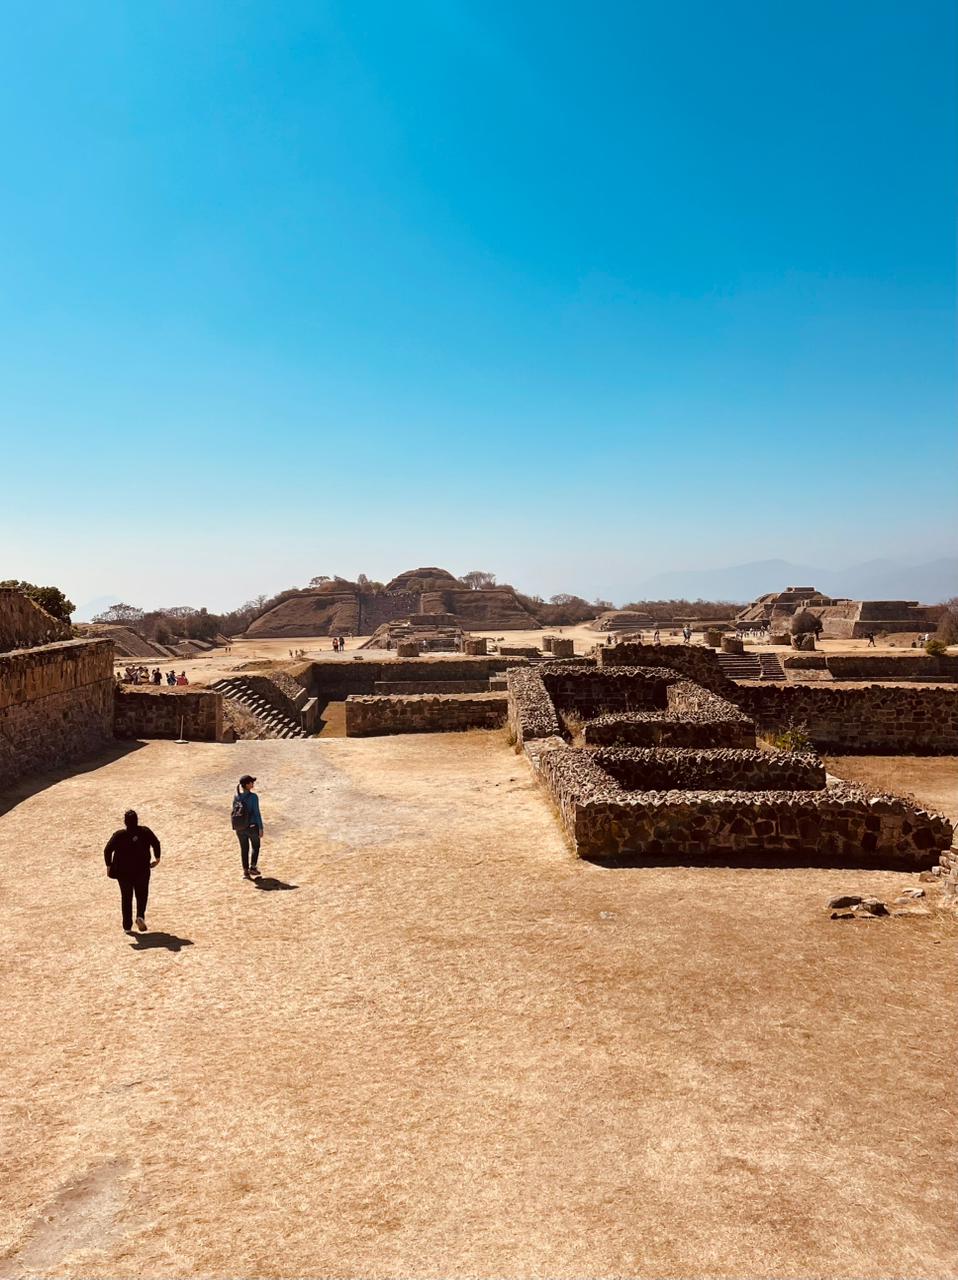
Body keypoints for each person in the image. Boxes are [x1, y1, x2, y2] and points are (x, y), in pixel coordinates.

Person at [104, 809, 161, 933]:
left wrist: (109, 866)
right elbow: (156, 843)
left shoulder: (119, 835)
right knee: (142, 894)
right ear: (137, 820)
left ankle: (127, 927)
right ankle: (140, 916)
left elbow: (107, 850)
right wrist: (157, 858)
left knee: (126, 897)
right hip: (142, 869)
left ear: (125, 822)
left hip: (123, 872)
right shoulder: (145, 831)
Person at [231, 775, 264, 879]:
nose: (252, 784)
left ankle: (245, 871)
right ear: (246, 785)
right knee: (256, 846)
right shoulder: (253, 797)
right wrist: (261, 827)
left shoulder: (236, 797)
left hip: (240, 828)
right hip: (252, 827)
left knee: (244, 849)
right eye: (251, 782)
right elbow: (257, 813)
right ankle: (253, 867)